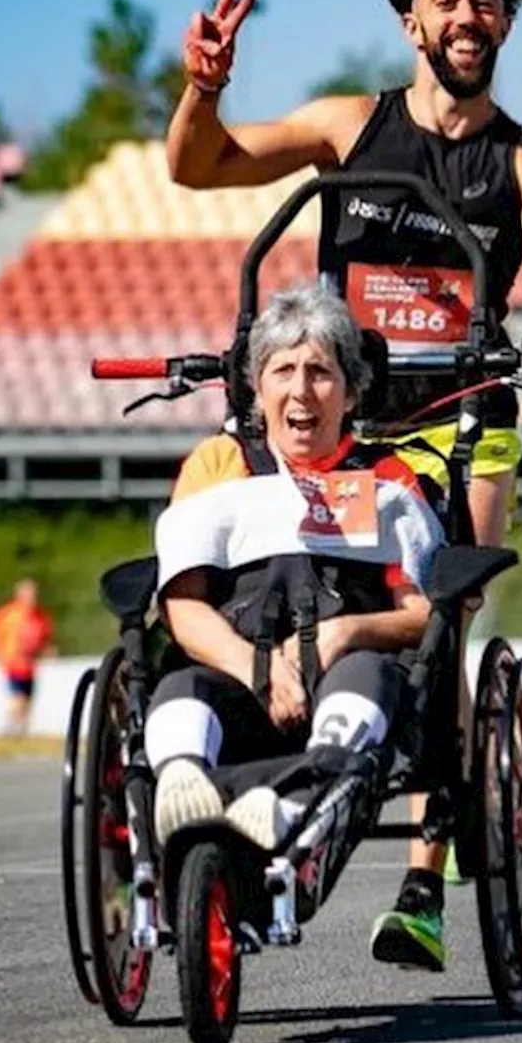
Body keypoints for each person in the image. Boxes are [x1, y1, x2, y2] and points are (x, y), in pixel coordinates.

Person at [167, 0, 522, 972]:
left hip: (461, 424)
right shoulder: (347, 126)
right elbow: (202, 168)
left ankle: (423, 874)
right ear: (409, 17)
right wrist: (202, 87)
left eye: (482, 0)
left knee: (438, 619)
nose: (465, 15)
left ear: (503, 20)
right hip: (342, 418)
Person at [146, 287, 446, 868]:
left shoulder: (387, 479)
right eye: (282, 370)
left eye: (321, 372)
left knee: (368, 676)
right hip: (233, 666)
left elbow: (421, 613)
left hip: (343, 672)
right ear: (257, 389)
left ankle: (295, 805)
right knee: (182, 689)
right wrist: (258, 669)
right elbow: (184, 608)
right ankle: (183, 787)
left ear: (353, 390)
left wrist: (347, 633)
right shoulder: (218, 463)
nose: (301, 390)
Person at [0, 579, 55, 737]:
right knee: (19, 699)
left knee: (27, 702)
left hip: (30, 667)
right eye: (28, 594)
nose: (32, 598)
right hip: (13, 664)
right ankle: (8, 729)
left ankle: (19, 732)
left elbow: (45, 640)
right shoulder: (8, 614)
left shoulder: (40, 617)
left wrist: (46, 651)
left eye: (34, 594)